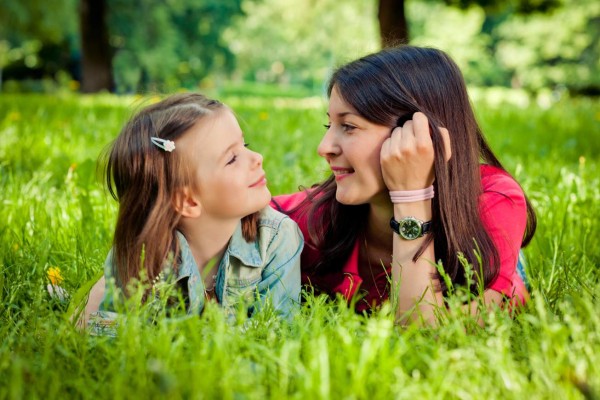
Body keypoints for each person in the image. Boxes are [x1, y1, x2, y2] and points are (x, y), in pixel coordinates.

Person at [272, 45, 536, 325]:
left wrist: (411, 196)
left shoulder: (494, 199)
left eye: (349, 126)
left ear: (418, 135)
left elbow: (425, 334)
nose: (324, 148)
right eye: (329, 126)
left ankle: (514, 272)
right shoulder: (308, 221)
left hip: (483, 254)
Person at [85, 93, 303, 334]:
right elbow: (100, 326)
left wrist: (172, 334)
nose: (257, 158)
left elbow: (280, 328)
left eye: (246, 146)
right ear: (188, 201)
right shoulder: (142, 254)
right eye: (232, 159)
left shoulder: (277, 239)